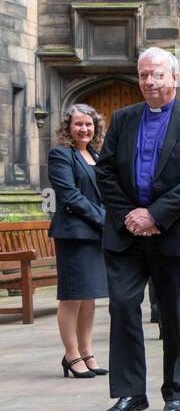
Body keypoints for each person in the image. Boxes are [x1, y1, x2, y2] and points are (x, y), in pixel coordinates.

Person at [96, 48, 180, 411]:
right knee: (123, 308)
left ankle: (176, 392)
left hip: (172, 234)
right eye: (143, 75)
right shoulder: (123, 119)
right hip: (126, 235)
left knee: (175, 315)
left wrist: (156, 214)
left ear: (174, 77)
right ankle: (129, 394)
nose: (149, 82)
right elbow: (105, 171)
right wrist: (131, 215)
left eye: (157, 75)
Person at [48, 104, 109, 378]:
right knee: (72, 296)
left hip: (94, 234)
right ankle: (71, 355)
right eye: (78, 124)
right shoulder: (61, 155)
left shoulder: (95, 155)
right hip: (73, 234)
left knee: (89, 297)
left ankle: (87, 352)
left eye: (89, 124)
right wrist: (105, 218)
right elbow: (70, 196)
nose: (84, 129)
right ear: (67, 127)